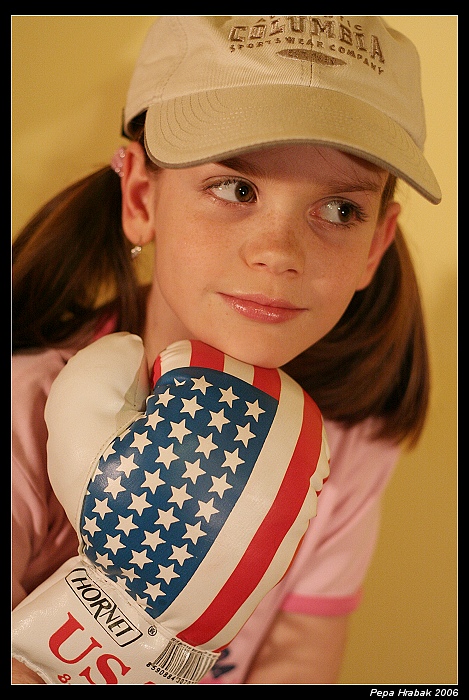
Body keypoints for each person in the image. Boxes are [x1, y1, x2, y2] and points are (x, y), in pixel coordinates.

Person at [12, 15, 441, 685]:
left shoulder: (349, 443)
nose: (277, 252)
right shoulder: (24, 413)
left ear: (375, 246)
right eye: (236, 189)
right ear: (140, 198)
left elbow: (301, 656)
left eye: (338, 210)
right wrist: (118, 628)